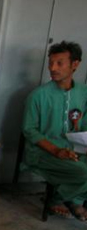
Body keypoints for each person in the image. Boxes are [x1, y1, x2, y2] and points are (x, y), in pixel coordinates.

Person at [22, 41, 87, 220]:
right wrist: (56, 150)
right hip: (43, 152)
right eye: (51, 63)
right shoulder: (38, 95)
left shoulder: (84, 93)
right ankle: (59, 198)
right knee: (83, 173)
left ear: (75, 64)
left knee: (82, 168)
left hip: (75, 149)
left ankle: (73, 198)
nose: (53, 68)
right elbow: (29, 130)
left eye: (59, 63)